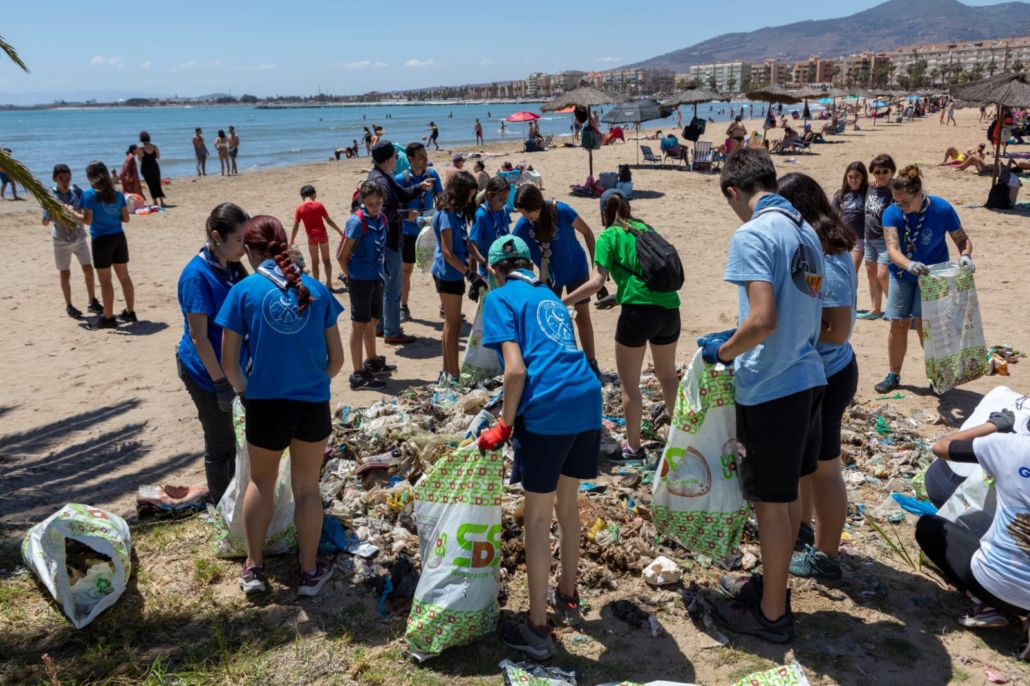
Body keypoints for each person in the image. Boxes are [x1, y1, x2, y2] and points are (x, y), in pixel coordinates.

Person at [705, 148, 826, 644]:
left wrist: (724, 353)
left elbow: (762, 319)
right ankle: (773, 588)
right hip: (808, 375)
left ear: (734, 191)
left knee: (770, 505)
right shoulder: (808, 232)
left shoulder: (753, 233)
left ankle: (772, 615)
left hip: (773, 385)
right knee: (788, 492)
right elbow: (804, 306)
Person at [477, 234, 602, 660]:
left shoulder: (499, 299)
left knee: (536, 520)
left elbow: (515, 372)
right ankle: (567, 598)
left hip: (548, 411)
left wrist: (504, 426)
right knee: (567, 509)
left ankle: (536, 628)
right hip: (587, 400)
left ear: (495, 271)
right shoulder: (547, 293)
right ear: (528, 265)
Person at [217, 215, 344, 597]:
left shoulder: (244, 290)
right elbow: (336, 360)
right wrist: (313, 382)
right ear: (285, 245)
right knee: (307, 488)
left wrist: (245, 391)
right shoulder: (317, 289)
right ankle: (308, 572)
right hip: (312, 404)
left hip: (265, 404)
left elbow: (229, 362)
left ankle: (255, 568)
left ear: (253, 250)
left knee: (261, 482)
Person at [778, 172, 858, 584]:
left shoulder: (828, 253)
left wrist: (788, 328)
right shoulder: (814, 245)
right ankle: (804, 530)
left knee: (825, 470)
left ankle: (827, 556)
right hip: (816, 372)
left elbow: (839, 329)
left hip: (831, 372)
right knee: (807, 466)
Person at [562, 189, 680, 464]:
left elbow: (596, 282)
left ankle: (634, 448)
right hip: (670, 310)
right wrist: (619, 296)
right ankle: (679, 440)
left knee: (629, 384)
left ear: (604, 212)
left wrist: (560, 300)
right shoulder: (646, 229)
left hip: (638, 315)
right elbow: (647, 273)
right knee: (667, 377)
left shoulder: (607, 236)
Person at [916, 409, 1030, 655]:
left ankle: (985, 605)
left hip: (995, 583)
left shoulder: (1011, 446)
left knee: (928, 527)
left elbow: (941, 447)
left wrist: (993, 425)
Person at [875, 165, 974, 394]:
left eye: (905, 203)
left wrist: (966, 256)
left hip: (933, 276)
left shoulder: (942, 208)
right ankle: (894, 374)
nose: (901, 207)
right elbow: (892, 248)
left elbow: (961, 239)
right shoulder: (892, 212)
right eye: (896, 201)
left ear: (920, 194)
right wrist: (908, 264)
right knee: (898, 324)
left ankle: (936, 374)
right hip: (902, 274)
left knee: (925, 327)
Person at [176, 203, 250, 504]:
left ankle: (237, 495)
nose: (244, 248)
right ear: (217, 236)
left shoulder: (231, 266)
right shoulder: (196, 276)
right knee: (220, 442)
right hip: (206, 374)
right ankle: (223, 507)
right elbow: (199, 337)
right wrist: (221, 383)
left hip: (231, 369)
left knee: (237, 436)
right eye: (239, 241)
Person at [512, 184, 599, 376]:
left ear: (538, 205)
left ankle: (591, 363)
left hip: (576, 269)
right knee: (550, 321)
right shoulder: (523, 225)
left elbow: (588, 233)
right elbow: (512, 249)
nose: (526, 217)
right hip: (548, 276)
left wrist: (596, 268)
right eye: (522, 213)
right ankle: (557, 365)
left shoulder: (562, 211)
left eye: (528, 212)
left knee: (582, 315)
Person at [367, 138, 433, 345]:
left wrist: (419, 187)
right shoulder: (382, 181)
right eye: (395, 156)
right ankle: (392, 331)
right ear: (389, 159)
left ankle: (380, 326)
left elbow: (402, 193)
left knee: (386, 284)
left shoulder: (381, 177)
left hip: (384, 239)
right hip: (388, 240)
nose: (397, 159)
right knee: (393, 287)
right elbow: (382, 211)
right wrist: (405, 215)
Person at [339, 181, 396, 392]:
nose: (374, 207)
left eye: (378, 203)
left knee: (373, 320)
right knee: (359, 324)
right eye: (370, 203)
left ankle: (371, 361)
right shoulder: (357, 222)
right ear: (362, 201)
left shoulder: (381, 218)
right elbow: (341, 255)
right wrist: (351, 277)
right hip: (361, 279)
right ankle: (358, 374)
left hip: (376, 275)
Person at [432, 170, 485, 382]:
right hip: (447, 273)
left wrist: (482, 261)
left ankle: (447, 372)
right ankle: (453, 374)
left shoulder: (459, 212)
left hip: (454, 271)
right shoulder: (446, 214)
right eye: (470, 195)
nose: (471, 199)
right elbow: (447, 251)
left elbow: (465, 244)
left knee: (450, 324)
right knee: (453, 325)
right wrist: (469, 274)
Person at [80, 161, 135, 329]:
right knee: (124, 277)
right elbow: (126, 218)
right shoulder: (117, 193)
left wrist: (71, 212)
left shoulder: (89, 195)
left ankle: (108, 316)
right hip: (118, 237)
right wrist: (111, 218)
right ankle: (130, 311)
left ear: (91, 177)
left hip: (102, 240)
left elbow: (87, 220)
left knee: (105, 281)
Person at [42, 164, 101, 319]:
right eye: (61, 179)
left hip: (79, 237)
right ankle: (69, 305)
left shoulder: (76, 192)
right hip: (61, 240)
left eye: (67, 178)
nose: (65, 181)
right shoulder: (50, 198)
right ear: (54, 179)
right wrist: (49, 212)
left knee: (88, 268)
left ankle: (92, 300)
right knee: (65, 273)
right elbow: (44, 222)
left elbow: (86, 209)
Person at [395, 142, 443, 322]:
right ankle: (403, 307)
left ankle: (444, 306)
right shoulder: (401, 179)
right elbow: (397, 210)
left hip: (430, 230)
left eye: (426, 155)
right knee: (406, 270)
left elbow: (441, 199)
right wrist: (409, 217)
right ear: (411, 159)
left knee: (437, 268)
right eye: (421, 156)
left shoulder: (432, 174)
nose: (425, 159)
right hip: (409, 232)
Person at [857, 154, 896, 321]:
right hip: (868, 236)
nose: (881, 175)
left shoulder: (894, 189)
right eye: (877, 171)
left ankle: (895, 309)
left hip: (885, 239)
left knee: (883, 275)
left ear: (892, 172)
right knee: (871, 274)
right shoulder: (870, 187)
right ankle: (875, 309)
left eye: (885, 171)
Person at [290, 185, 343, 290]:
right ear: (313, 194)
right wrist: (339, 231)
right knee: (326, 260)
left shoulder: (299, 208)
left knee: (315, 262)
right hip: (322, 235)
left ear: (302, 196)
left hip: (311, 237)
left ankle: (317, 285)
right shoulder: (319, 205)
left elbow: (296, 225)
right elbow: (328, 221)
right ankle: (329, 284)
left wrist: (292, 240)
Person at [470, 176, 511, 279]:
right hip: (488, 272)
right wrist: (474, 276)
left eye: (506, 199)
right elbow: (472, 248)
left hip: (505, 269)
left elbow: (507, 237)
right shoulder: (481, 216)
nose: (505, 203)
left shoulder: (504, 211)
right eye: (501, 199)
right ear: (489, 195)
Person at [832, 161, 868, 273]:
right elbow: (832, 216)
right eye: (850, 176)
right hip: (843, 237)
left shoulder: (868, 192)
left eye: (857, 176)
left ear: (863, 177)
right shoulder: (840, 195)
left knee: (852, 270)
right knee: (842, 271)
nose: (853, 180)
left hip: (859, 238)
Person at [138, 131, 167, 208]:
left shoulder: (141, 148)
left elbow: (140, 159)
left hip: (145, 167)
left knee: (151, 184)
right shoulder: (154, 146)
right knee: (157, 183)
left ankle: (155, 201)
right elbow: (158, 156)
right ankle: (162, 201)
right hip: (154, 166)